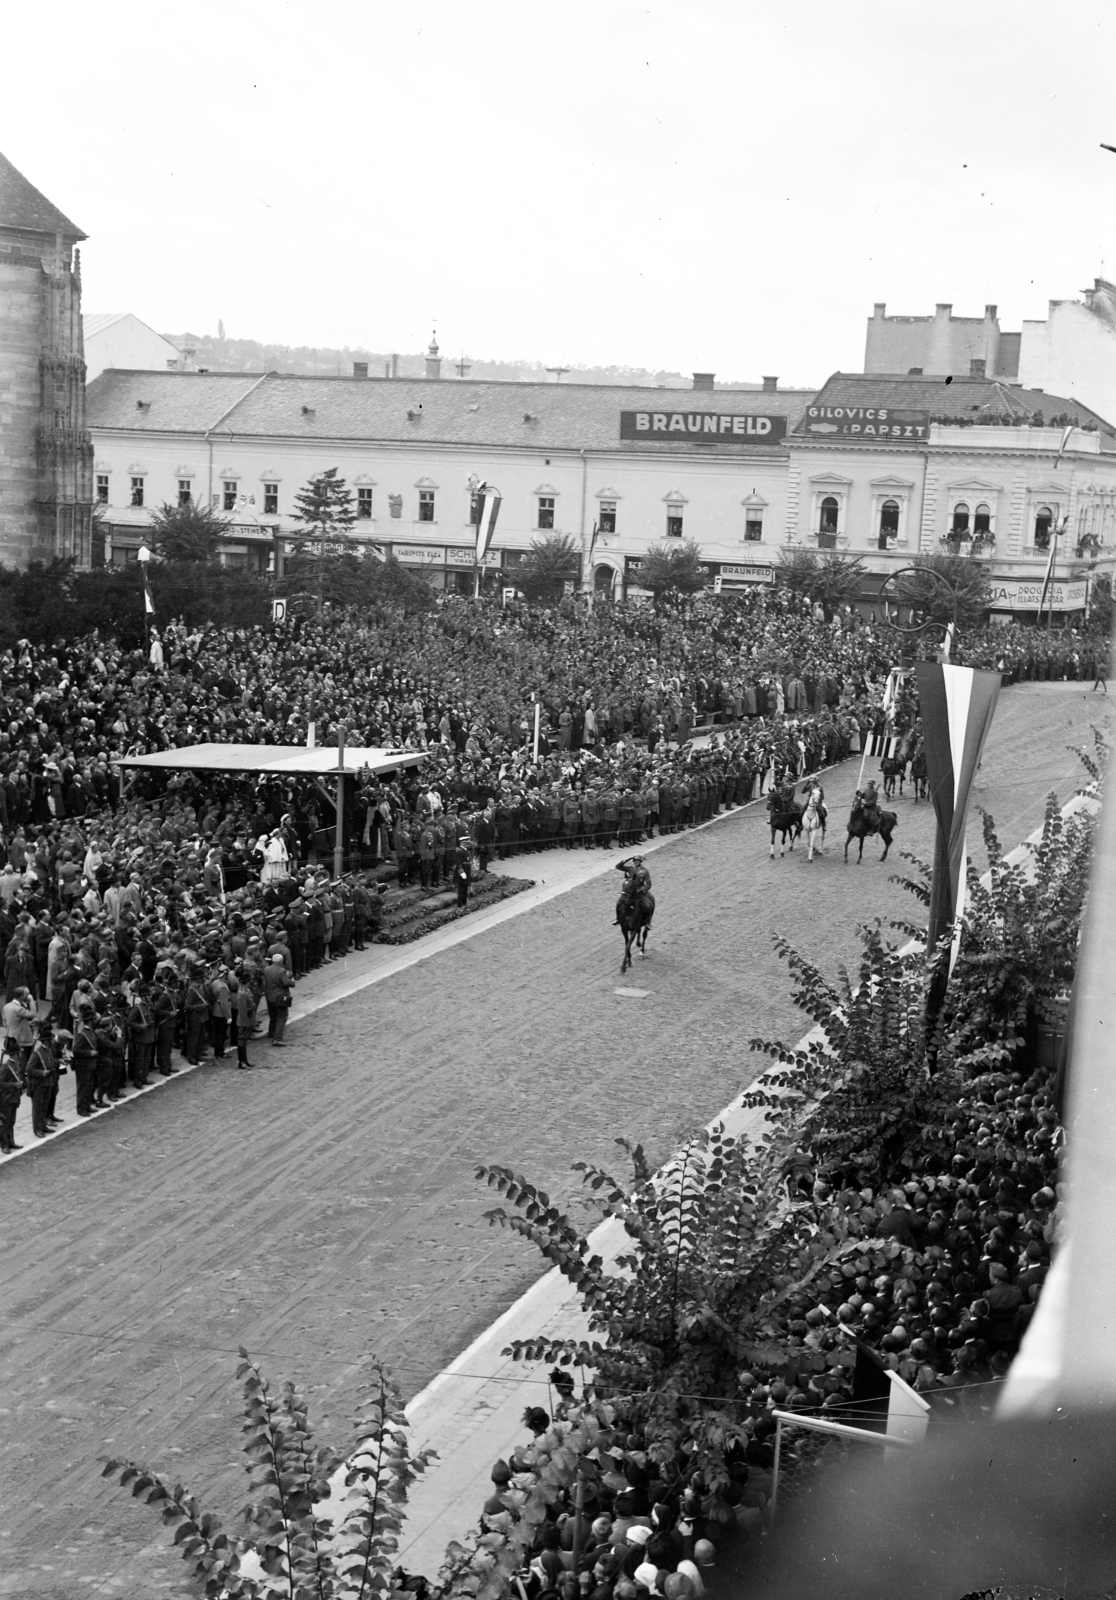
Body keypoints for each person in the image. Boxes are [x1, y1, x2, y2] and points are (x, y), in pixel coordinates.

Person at [263, 952, 293, 1047]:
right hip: (279, 997)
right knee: (282, 1016)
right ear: (280, 961)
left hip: (269, 996)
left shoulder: (266, 969)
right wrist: (292, 981)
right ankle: (277, 1038)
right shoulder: (281, 971)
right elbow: (286, 982)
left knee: (273, 1015)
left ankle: (271, 1033)